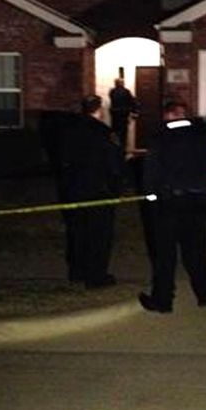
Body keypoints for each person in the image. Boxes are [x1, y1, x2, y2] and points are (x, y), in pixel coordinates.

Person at [138, 99, 206, 312]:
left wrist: (151, 198)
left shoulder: (161, 139)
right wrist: (201, 190)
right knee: (196, 251)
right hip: (194, 203)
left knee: (164, 255)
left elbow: (150, 173)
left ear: (169, 115)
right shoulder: (200, 138)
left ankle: (163, 300)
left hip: (167, 204)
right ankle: (204, 293)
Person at [58, 94, 124, 288]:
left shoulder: (69, 132)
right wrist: (116, 188)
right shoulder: (104, 133)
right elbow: (114, 164)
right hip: (99, 192)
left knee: (77, 232)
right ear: (99, 110)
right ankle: (96, 276)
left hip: (73, 191)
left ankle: (77, 271)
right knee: (99, 235)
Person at [108, 77, 138, 151]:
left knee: (115, 132)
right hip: (124, 115)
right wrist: (134, 111)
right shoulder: (126, 91)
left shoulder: (112, 91)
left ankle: (115, 148)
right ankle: (122, 149)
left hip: (115, 115)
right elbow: (132, 102)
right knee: (123, 133)